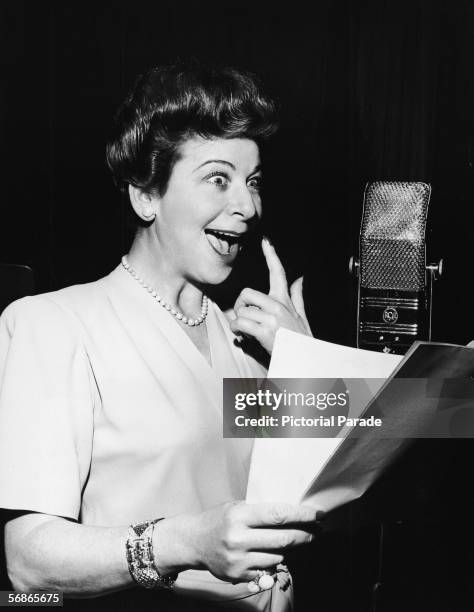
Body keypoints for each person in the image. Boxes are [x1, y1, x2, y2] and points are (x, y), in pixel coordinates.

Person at [0, 61, 316, 611]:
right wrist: (183, 544)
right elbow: (29, 563)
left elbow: (336, 488)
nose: (247, 206)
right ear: (146, 196)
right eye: (219, 179)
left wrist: (306, 360)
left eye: (253, 181)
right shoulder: (54, 326)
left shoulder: (249, 340)